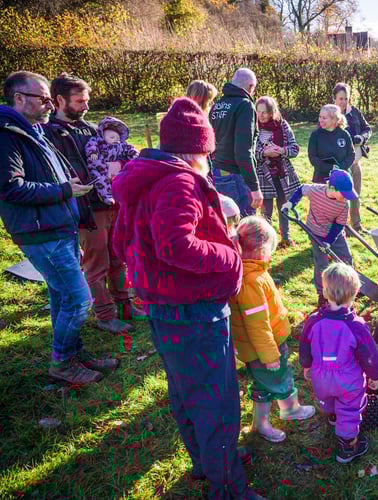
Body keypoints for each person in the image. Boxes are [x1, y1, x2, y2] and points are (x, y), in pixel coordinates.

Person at [111, 97, 261, 499]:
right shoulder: (179, 181)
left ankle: (207, 461)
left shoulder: (147, 176)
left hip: (164, 306)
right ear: (200, 149)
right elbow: (176, 245)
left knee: (186, 391)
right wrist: (230, 254)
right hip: (194, 309)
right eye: (208, 152)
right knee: (217, 399)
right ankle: (227, 487)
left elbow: (121, 239)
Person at [1, 71, 117, 385]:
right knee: (79, 300)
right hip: (40, 231)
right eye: (42, 98)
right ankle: (62, 361)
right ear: (20, 98)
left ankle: (74, 352)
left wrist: (70, 216)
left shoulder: (33, 131)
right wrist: (65, 191)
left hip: (59, 226)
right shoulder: (7, 134)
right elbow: (11, 188)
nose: (50, 105)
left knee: (61, 297)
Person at [44, 73, 141, 330]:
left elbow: (114, 153)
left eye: (86, 100)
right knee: (97, 263)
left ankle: (125, 305)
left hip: (111, 203)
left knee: (118, 256)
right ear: (59, 100)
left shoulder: (91, 129)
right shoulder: (50, 135)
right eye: (79, 101)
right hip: (87, 209)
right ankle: (105, 315)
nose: (86, 107)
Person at [230, 216, 315, 443]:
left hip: (262, 347)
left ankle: (262, 422)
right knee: (278, 378)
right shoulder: (251, 280)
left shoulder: (252, 271)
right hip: (264, 349)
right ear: (261, 250)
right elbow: (256, 324)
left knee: (264, 384)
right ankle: (288, 410)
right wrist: (269, 355)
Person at [299, 262, 378, 463]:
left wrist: (306, 365)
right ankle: (348, 446)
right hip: (348, 379)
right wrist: (375, 375)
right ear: (355, 293)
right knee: (349, 408)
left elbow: (304, 344)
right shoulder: (356, 326)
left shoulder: (313, 320)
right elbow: (368, 355)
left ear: (325, 291)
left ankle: (332, 416)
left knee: (328, 399)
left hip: (321, 377)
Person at [282, 169, 357, 308]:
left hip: (335, 234)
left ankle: (349, 288)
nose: (346, 197)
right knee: (321, 264)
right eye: (344, 193)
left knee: (346, 259)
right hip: (315, 232)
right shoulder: (316, 190)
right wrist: (291, 203)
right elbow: (301, 189)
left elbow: (339, 224)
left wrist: (329, 241)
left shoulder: (344, 203)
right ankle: (322, 294)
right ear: (332, 188)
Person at [210, 68, 262, 217]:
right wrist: (254, 187)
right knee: (245, 224)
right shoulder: (245, 105)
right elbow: (243, 150)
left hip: (218, 171)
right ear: (251, 86)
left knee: (226, 221)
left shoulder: (218, 105)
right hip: (236, 175)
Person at [255, 95, 301, 249]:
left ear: (271, 112)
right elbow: (249, 151)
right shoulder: (253, 127)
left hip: (282, 173)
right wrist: (264, 153)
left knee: (284, 207)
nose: (261, 115)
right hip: (263, 174)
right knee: (266, 210)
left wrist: (281, 150)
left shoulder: (282, 126)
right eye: (258, 111)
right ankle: (265, 242)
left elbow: (294, 149)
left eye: (264, 112)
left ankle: (286, 238)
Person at [334, 82, 372, 231]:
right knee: (339, 196)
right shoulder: (330, 114)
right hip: (338, 163)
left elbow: (367, 129)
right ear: (335, 99)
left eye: (346, 99)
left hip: (355, 162)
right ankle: (339, 227)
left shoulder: (355, 112)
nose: (343, 102)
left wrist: (361, 138)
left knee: (355, 195)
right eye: (340, 98)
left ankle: (356, 225)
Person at [85, 116, 139, 206]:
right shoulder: (98, 141)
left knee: (124, 179)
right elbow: (91, 145)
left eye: (117, 138)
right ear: (103, 136)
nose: (115, 140)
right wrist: (92, 152)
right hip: (100, 166)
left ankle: (126, 195)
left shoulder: (121, 145)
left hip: (115, 168)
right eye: (112, 137)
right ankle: (106, 195)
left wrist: (135, 154)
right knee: (101, 180)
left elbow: (131, 149)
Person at [307, 104, 354, 184]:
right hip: (321, 178)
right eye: (320, 117)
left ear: (334, 120)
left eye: (324, 118)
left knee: (340, 196)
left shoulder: (344, 135)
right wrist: (329, 168)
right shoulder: (315, 135)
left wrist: (340, 167)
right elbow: (312, 157)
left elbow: (351, 155)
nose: (320, 120)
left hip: (342, 177)